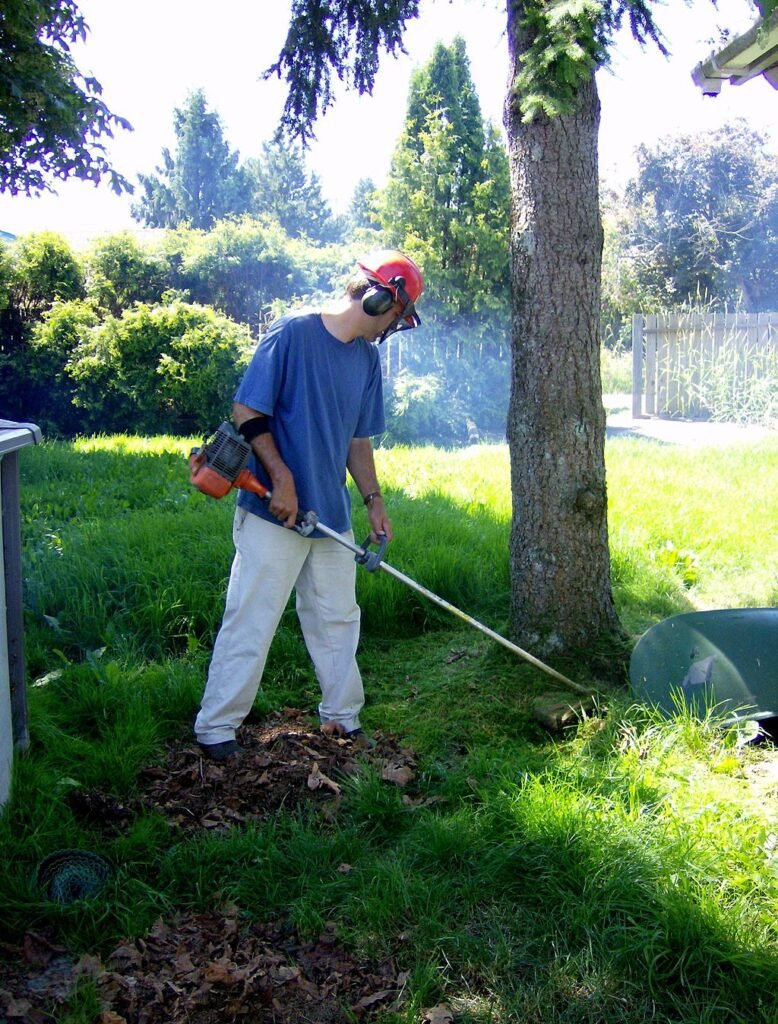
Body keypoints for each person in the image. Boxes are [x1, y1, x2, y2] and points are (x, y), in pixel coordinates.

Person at [194, 250, 424, 761]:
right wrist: (282, 478)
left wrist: (373, 501)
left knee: (338, 617)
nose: (392, 326)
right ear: (378, 296)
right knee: (253, 616)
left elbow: (357, 441)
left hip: (330, 516)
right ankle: (216, 729)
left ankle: (343, 717)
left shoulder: (366, 360)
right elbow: (247, 410)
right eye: (395, 313)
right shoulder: (292, 334)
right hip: (274, 512)